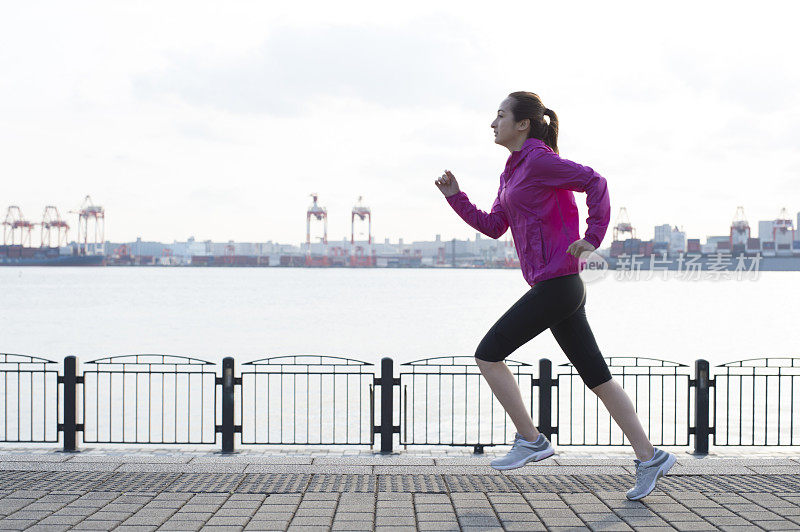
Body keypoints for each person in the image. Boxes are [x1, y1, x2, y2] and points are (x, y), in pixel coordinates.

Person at [434, 91, 676, 501]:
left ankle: (531, 440)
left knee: (488, 354)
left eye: (500, 116)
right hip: (556, 286)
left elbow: (595, 182)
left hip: (558, 284)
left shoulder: (541, 161)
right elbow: (495, 226)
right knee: (598, 378)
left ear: (523, 123)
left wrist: (592, 238)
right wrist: (455, 197)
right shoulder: (511, 172)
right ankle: (650, 457)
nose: (493, 124)